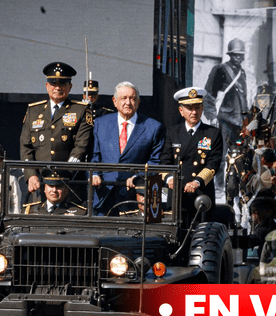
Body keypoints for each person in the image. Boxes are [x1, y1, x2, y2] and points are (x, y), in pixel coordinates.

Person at [91, 81, 165, 215]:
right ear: (114, 101)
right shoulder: (101, 123)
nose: (128, 102)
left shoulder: (153, 127)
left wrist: (139, 177)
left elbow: (155, 161)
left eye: (132, 98)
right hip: (104, 194)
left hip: (135, 195)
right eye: (123, 98)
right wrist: (95, 174)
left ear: (138, 101)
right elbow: (94, 154)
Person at [20, 62, 93, 195]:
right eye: (53, 84)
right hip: (39, 183)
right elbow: (26, 146)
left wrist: (63, 176)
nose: (57, 88)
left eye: (62, 84)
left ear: (70, 87)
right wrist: (31, 175)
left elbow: (81, 146)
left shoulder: (81, 110)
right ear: (47, 86)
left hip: (70, 183)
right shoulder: (34, 111)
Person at [161, 87, 222, 220]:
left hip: (201, 195)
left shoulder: (212, 133)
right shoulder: (173, 132)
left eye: (197, 107)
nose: (194, 112)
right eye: (189, 108)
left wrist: (197, 181)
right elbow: (165, 161)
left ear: (202, 109)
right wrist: (170, 179)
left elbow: (213, 164)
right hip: (178, 195)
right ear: (181, 110)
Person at [203, 38, 248, 194]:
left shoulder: (242, 73)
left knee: (239, 155)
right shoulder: (220, 69)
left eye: (241, 55)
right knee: (221, 155)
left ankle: (237, 185)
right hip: (224, 119)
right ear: (230, 54)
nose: (239, 58)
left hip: (239, 121)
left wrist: (246, 120)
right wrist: (212, 116)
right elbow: (208, 95)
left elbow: (244, 99)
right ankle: (219, 186)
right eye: (236, 55)